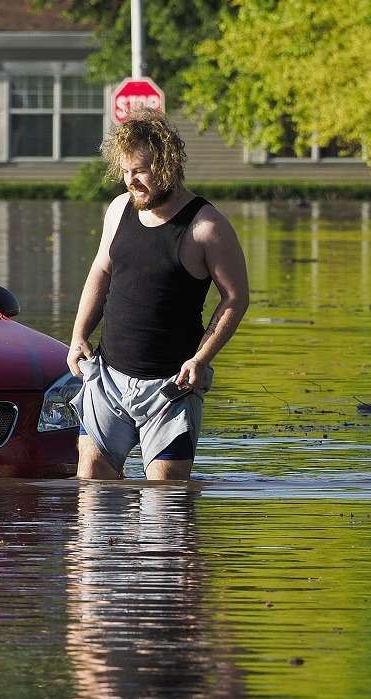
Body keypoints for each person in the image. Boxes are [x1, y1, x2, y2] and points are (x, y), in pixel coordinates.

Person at [67, 110, 249, 481]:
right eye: (125, 171)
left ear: (166, 166)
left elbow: (235, 297)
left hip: (172, 386)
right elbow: (101, 271)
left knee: (167, 495)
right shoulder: (118, 210)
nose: (130, 180)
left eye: (139, 171)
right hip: (109, 376)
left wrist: (201, 358)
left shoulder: (206, 226)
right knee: (91, 477)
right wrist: (78, 335)